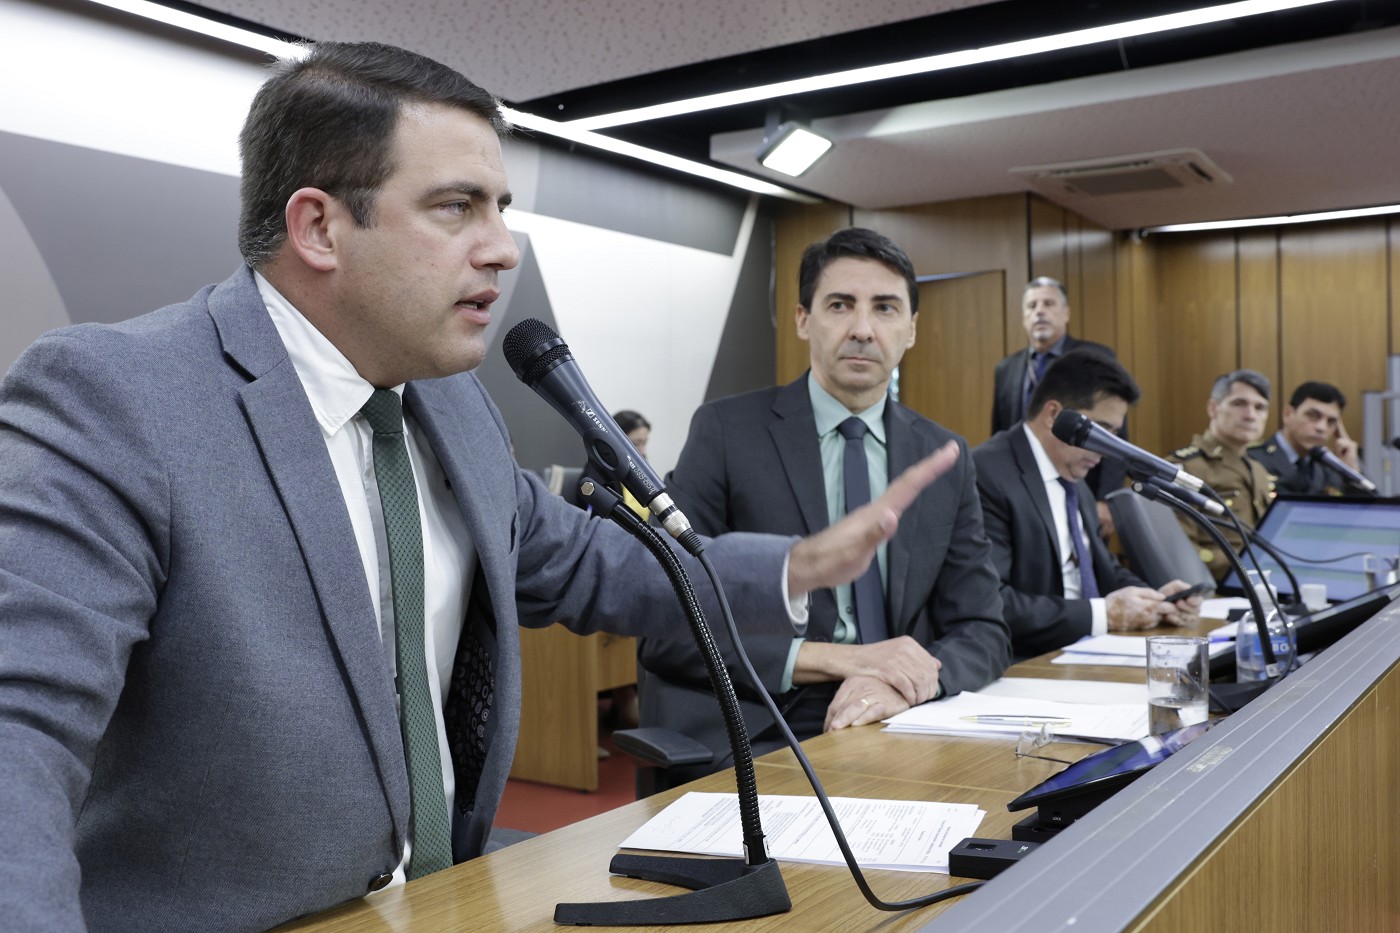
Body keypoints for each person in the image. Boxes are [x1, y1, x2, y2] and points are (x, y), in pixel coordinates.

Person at [0, 43, 961, 933]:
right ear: (319, 226)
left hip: (446, 902)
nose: (504, 247)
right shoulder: (118, 397)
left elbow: (592, 564)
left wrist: (797, 565)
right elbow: (17, 736)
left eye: (501, 207)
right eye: (457, 207)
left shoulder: (453, 407)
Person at [637, 227, 1011, 782]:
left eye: (885, 308)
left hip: (902, 712)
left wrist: (906, 680)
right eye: (840, 305)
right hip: (765, 720)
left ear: (911, 329)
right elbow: (664, 621)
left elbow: (983, 627)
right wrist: (840, 659)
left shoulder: (942, 456)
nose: (862, 329)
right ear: (803, 320)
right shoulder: (726, 432)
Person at [973, 350, 1200, 659]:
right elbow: (992, 602)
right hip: (1024, 660)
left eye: (1114, 435)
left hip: (1086, 653)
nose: (1106, 449)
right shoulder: (986, 474)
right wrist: (1104, 615)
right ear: (1054, 415)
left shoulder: (1075, 481)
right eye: (1100, 431)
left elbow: (1100, 568)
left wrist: (1157, 598)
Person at [991, 276, 1128, 534]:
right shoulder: (1006, 368)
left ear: (1066, 313)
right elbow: (1000, 431)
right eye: (1032, 306)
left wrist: (1106, 498)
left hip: (1083, 485)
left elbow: (1114, 435)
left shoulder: (1095, 358)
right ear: (1023, 317)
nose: (1039, 311)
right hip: (1023, 490)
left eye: (1048, 304)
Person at [1168, 369, 1276, 581]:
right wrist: (1248, 566)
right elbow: (1180, 549)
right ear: (1213, 408)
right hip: (1213, 586)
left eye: (1260, 407)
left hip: (1261, 584)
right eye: (1239, 404)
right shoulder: (1186, 468)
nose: (1250, 415)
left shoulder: (1259, 470)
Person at [1249, 381, 1365, 496]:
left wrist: (1350, 471)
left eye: (1331, 421)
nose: (1321, 427)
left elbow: (1364, 505)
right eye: (1312, 416)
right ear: (1287, 414)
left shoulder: (1329, 469)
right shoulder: (1253, 459)